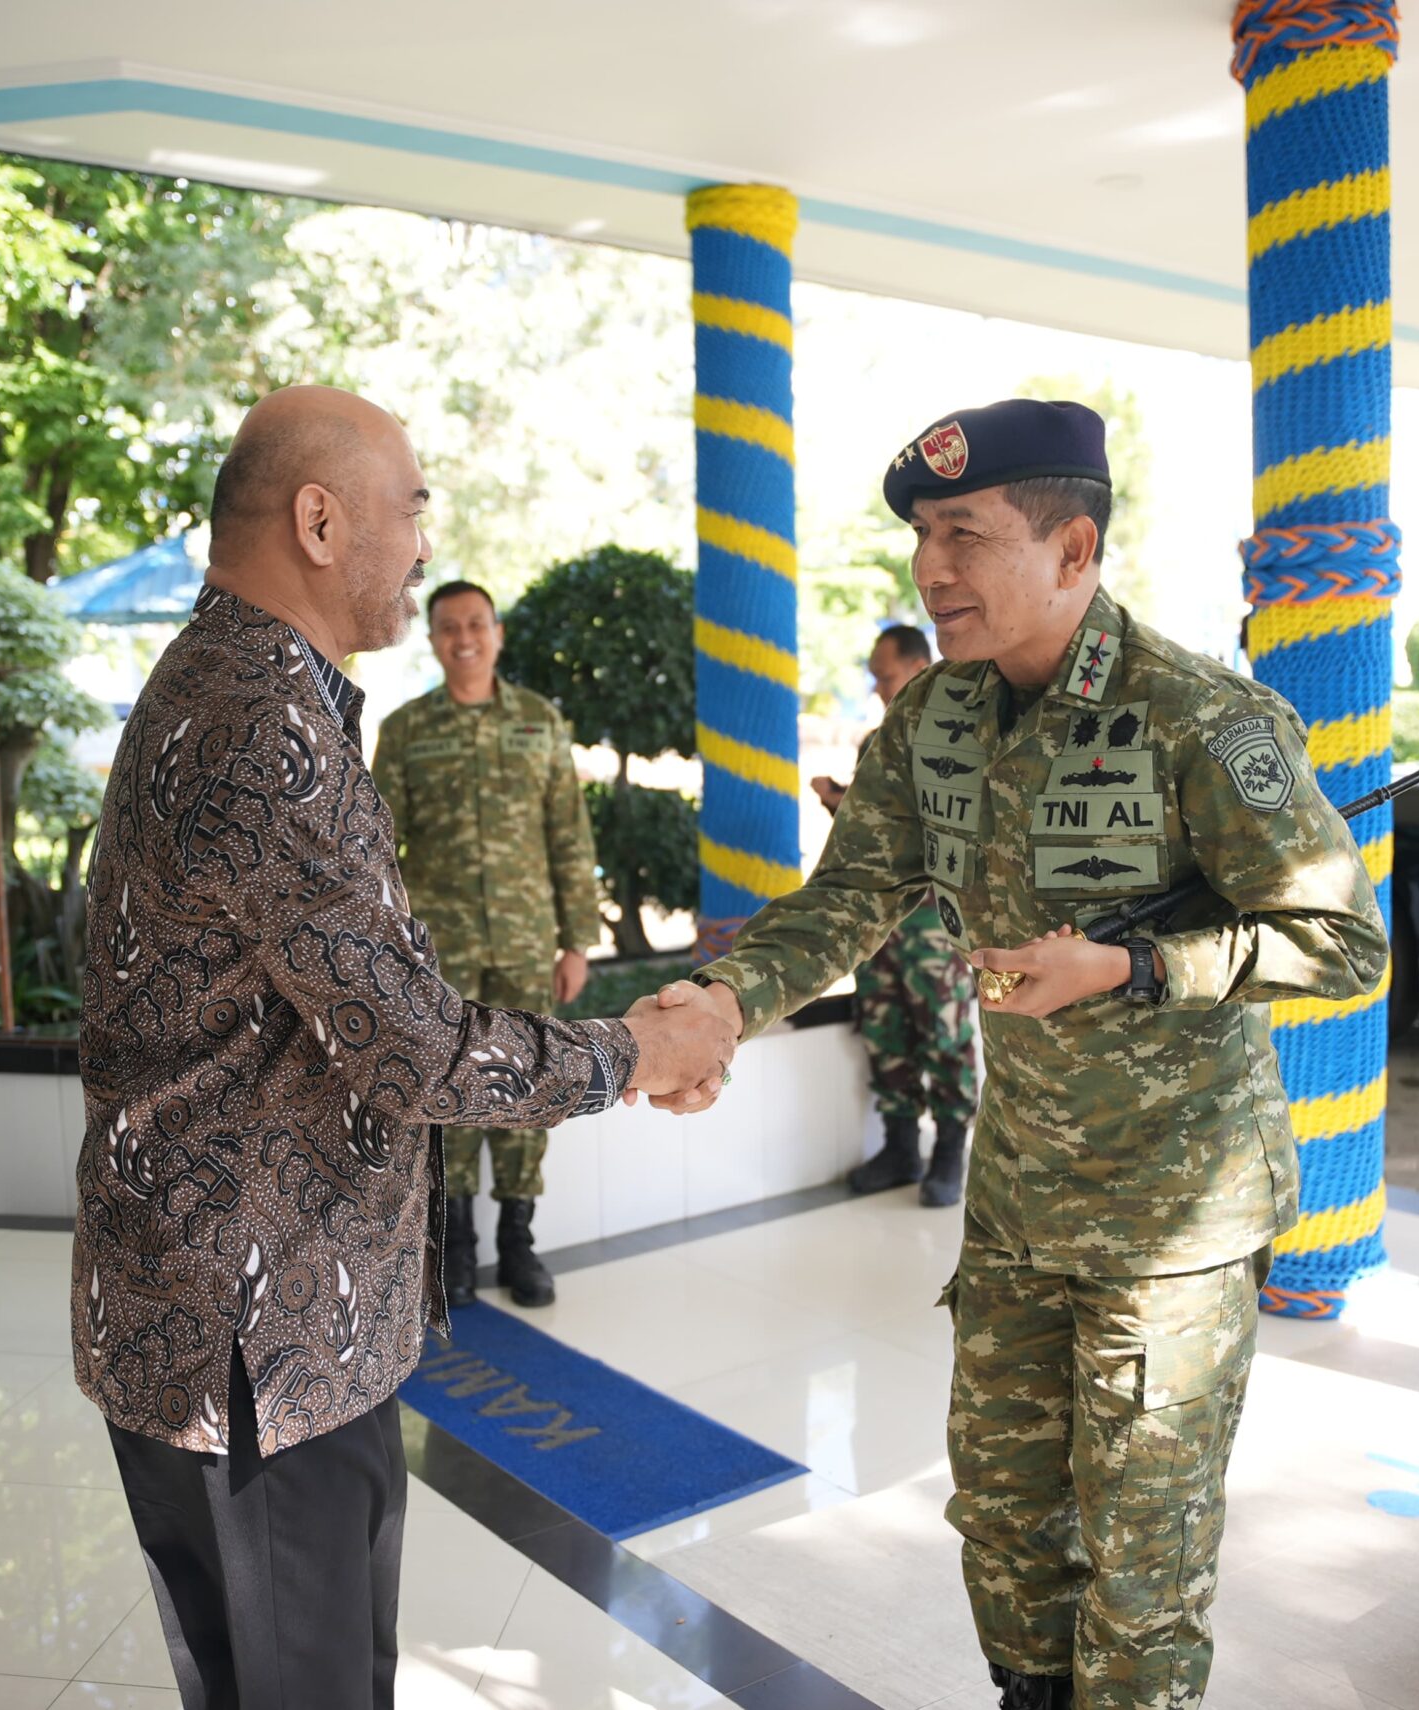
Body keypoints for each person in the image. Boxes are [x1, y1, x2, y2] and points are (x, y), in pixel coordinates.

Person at [649, 398, 1386, 1710]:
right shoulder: (933, 716)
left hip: (1175, 1218)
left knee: (1140, 1565)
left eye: (964, 534)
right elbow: (847, 896)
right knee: (1001, 1519)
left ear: (1073, 548)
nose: (931, 570)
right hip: (1022, 1201)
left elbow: (1342, 941)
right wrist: (720, 1002)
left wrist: (1136, 963)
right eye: (924, 536)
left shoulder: (1197, 720)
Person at [71, 384, 732, 1710]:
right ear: (322, 521)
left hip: (251, 1309)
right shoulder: (261, 721)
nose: (425, 542)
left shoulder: (246, 683)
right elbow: (415, 1047)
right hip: (261, 1336)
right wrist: (636, 1054)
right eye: (412, 506)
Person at [369, 579, 604, 1307]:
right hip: (440, 954)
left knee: (530, 1085)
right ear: (433, 638)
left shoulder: (540, 723)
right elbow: (375, 847)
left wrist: (577, 941)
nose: (463, 637)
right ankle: (458, 1244)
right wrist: (389, 946)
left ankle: (519, 1241)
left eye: (476, 624)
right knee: (451, 1091)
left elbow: (568, 833)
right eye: (447, 627)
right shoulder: (407, 730)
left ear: (497, 633)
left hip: (528, 944)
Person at [810, 624, 979, 1205]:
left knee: (944, 1032)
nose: (880, 689)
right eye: (876, 679)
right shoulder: (874, 742)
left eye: (886, 677)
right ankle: (901, 1148)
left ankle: (951, 1153)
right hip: (883, 923)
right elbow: (875, 837)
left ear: (917, 666)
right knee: (885, 1031)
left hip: (937, 922)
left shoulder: (961, 733)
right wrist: (840, 803)